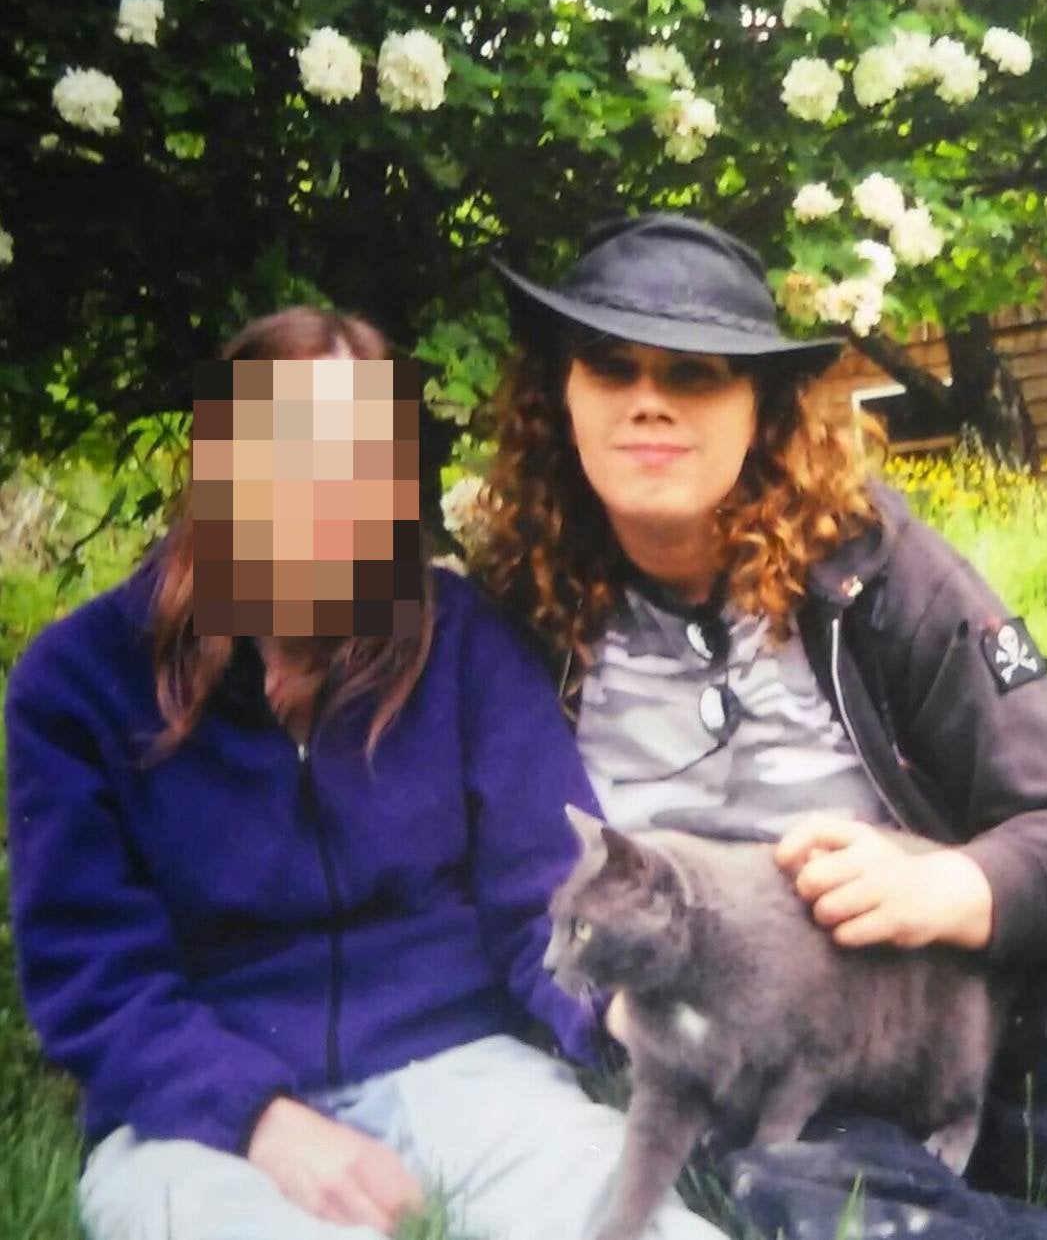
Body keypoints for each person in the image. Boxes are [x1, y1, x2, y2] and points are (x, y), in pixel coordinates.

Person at [479, 215, 1047, 1239]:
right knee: (801, 1201)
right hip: (769, 1049)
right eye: (610, 366)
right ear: (563, 394)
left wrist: (946, 883)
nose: (647, 401)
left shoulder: (870, 566)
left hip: (979, 997)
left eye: (693, 374)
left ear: (759, 405)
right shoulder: (519, 617)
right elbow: (507, 896)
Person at [4, 308, 723, 1240]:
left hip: (462, 1070)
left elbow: (543, 890)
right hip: (200, 1120)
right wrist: (259, 1118)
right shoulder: (80, 680)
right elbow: (94, 976)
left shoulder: (457, 639)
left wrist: (623, 1009)